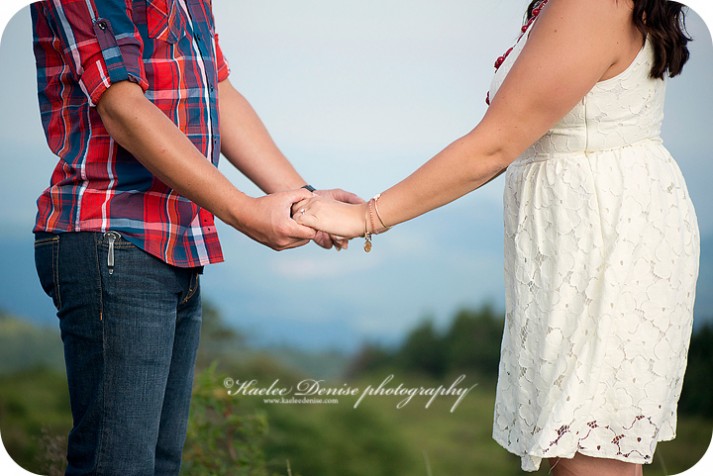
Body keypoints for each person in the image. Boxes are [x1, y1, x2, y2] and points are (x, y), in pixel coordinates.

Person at [294, 0, 700, 474]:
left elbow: (495, 144)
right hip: (598, 226)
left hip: (605, 238)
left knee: (588, 454)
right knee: (591, 449)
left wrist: (367, 216)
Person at [30, 0, 360, 474]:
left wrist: (303, 200)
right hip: (112, 237)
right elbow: (121, 106)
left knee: (160, 464)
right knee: (118, 465)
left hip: (175, 243)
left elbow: (217, 91)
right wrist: (243, 211)